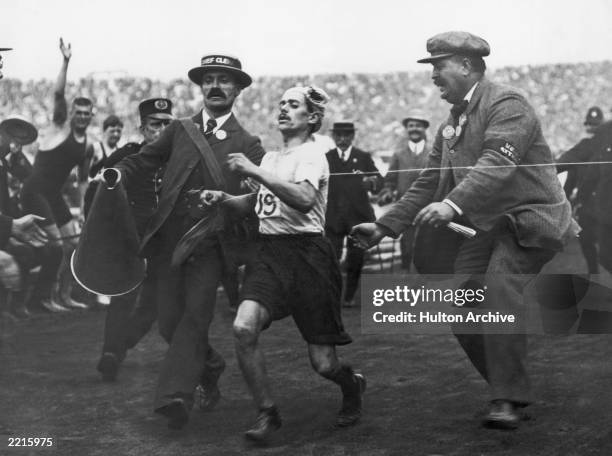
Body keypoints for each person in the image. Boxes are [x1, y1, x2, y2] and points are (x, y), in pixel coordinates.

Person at [351, 31, 578, 430]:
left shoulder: (508, 103)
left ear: (467, 66)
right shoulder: (451, 123)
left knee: (497, 290)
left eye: (439, 66)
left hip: (530, 221)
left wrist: (451, 204)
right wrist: (385, 226)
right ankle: (509, 388)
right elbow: (426, 181)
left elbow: (496, 163)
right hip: (488, 227)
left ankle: (506, 398)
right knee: (461, 309)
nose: (434, 75)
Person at [203, 86, 366, 441]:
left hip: (309, 257)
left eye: (293, 105)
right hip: (270, 255)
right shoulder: (272, 159)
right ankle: (267, 413)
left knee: (323, 363)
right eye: (281, 104)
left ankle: (351, 384)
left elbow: (305, 199)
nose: (283, 109)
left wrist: (255, 173)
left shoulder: (312, 154)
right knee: (243, 328)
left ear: (310, 118)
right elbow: (261, 203)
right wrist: (225, 199)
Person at [114, 54, 265, 429]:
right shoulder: (180, 129)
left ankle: (174, 397)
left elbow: (263, 194)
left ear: (238, 89)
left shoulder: (249, 143)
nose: (215, 86)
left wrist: (249, 190)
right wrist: (115, 171)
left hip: (211, 244)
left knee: (196, 316)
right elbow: (143, 160)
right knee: (167, 322)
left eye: (224, 80)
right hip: (169, 243)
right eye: (208, 79)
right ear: (200, 87)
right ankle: (210, 366)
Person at [94, 98, 173, 381]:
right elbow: (99, 180)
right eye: (155, 124)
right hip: (132, 240)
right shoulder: (130, 153)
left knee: (151, 306)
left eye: (167, 123)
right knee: (122, 297)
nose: (162, 129)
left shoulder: (180, 158)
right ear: (142, 127)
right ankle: (111, 355)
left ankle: (121, 345)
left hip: (165, 243)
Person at [20, 38, 94, 310]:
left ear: (91, 115)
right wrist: (65, 62)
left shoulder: (87, 146)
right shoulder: (59, 126)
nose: (83, 116)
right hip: (35, 190)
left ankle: (64, 295)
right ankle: (43, 297)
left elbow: (84, 181)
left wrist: (85, 209)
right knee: (57, 245)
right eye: (79, 112)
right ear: (72, 113)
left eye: (87, 113)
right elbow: (58, 95)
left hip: (53, 195)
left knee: (73, 244)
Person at [0, 117, 63, 316]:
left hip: (7, 222)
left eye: (19, 141)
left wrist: (17, 159)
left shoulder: (9, 159)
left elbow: (31, 179)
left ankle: (35, 300)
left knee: (50, 248)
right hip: (5, 225)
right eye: (11, 139)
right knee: (24, 252)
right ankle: (13, 305)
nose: (14, 144)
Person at [325, 121, 382, 307]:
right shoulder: (326, 158)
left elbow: (379, 181)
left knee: (355, 260)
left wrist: (371, 182)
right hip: (333, 217)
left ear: (352, 137)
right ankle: (333, 295)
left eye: (346, 135)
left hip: (358, 217)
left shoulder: (362, 157)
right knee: (331, 258)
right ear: (334, 136)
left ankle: (349, 297)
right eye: (338, 135)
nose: (342, 139)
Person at [378, 110, 431, 270]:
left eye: (418, 126)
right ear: (406, 129)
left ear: (424, 129)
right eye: (411, 126)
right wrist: (387, 191)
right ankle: (408, 282)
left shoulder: (434, 152)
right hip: (405, 210)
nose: (414, 129)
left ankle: (427, 286)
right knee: (407, 248)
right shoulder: (399, 154)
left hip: (428, 209)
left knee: (428, 249)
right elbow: (390, 181)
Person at [556, 107, 604, 274]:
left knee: (593, 244)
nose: (592, 128)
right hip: (588, 204)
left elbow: (560, 165)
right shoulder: (583, 148)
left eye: (595, 125)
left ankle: (595, 274)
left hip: (599, 203)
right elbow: (568, 173)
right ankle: (594, 275)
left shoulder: (588, 147)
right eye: (590, 125)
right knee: (587, 241)